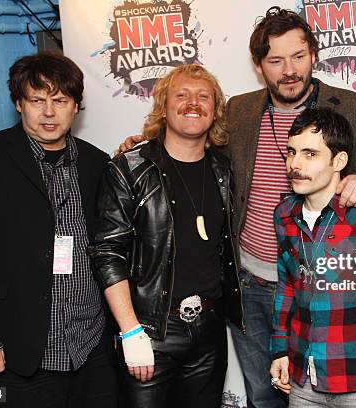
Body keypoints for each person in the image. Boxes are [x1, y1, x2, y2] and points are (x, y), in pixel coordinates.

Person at [117, 8, 356, 407]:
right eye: (275, 60)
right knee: (263, 394)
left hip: (324, 286)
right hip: (251, 285)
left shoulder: (353, 108)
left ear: (313, 55)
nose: (288, 70)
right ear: (259, 66)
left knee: (328, 396)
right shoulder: (239, 111)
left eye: (297, 57)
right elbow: (192, 140)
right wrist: (146, 143)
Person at [0, 52, 117, 407]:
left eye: (60, 101)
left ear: (76, 106)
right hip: (18, 348)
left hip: (91, 345)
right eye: (37, 100)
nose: (49, 113)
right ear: (19, 104)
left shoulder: (97, 162)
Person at [89, 64, 243, 408]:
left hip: (209, 331)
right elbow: (107, 252)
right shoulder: (129, 168)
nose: (193, 103)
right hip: (151, 331)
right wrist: (130, 331)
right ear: (163, 106)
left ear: (215, 109)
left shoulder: (224, 169)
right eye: (182, 95)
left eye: (204, 96)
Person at [269, 108, 356, 408]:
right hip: (302, 375)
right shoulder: (285, 215)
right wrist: (279, 349)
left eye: (310, 154)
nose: (295, 164)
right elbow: (287, 287)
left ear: (339, 161)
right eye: (291, 152)